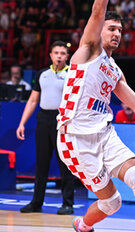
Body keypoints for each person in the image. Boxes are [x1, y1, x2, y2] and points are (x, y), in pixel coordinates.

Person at [55, 1, 135, 231]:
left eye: (120, 30)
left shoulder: (114, 69)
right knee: (112, 202)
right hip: (75, 139)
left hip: (104, 134)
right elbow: (97, 10)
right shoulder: (89, 49)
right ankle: (83, 225)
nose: (116, 34)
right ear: (99, 29)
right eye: (111, 28)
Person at [16, 41, 75, 215]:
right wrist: (22, 123)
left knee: (65, 163)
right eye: (56, 52)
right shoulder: (42, 74)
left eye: (62, 53)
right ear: (50, 55)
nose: (59, 56)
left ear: (67, 56)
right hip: (43, 118)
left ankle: (67, 204)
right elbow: (33, 100)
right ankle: (36, 203)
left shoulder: (72, 74)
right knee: (41, 163)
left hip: (62, 120)